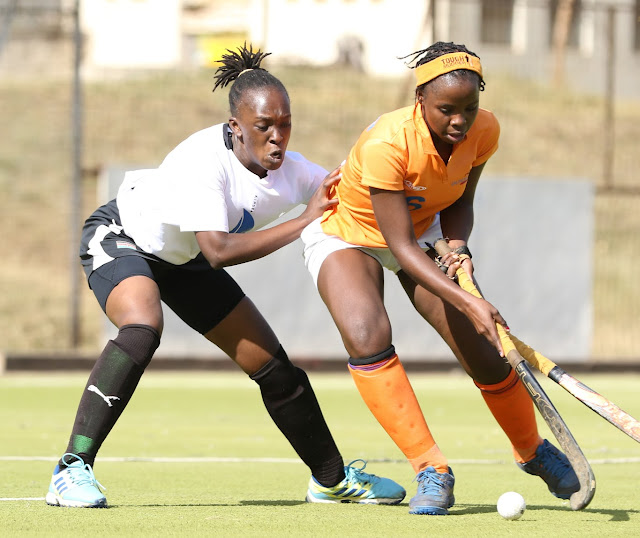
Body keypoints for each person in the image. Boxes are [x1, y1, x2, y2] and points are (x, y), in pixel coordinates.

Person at [45, 44, 405, 509]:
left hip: (184, 259)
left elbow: (358, 198)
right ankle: (71, 469)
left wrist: (431, 238)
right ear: (235, 128)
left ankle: (331, 480)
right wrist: (303, 221)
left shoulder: (292, 173)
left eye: (285, 124)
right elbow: (218, 251)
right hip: (124, 238)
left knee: (276, 369)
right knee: (142, 326)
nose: (278, 138)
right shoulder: (202, 161)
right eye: (263, 127)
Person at [300, 41, 580, 516]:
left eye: (469, 107)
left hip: (423, 228)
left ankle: (532, 450)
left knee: (481, 343)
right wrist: (471, 300)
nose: (460, 120)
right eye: (446, 110)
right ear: (420, 101)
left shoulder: (484, 130)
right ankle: (431, 469)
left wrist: (459, 246)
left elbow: (460, 201)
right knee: (368, 334)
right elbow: (402, 249)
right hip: (350, 231)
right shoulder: (387, 144)